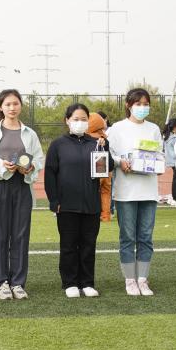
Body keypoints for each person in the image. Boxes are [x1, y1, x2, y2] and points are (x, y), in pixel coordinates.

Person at [0, 89, 43, 300]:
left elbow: (39, 158)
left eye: (15, 104)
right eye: (8, 104)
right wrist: (1, 165)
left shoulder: (30, 133)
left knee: (21, 235)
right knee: (0, 235)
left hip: (22, 186)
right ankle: (1, 282)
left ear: (21, 105)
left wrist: (30, 168)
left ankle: (18, 283)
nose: (12, 108)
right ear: (0, 107)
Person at [44, 103, 104, 298]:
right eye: (76, 119)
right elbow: (50, 174)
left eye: (84, 119)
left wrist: (104, 148)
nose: (80, 122)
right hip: (67, 204)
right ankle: (69, 282)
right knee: (69, 245)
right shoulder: (58, 145)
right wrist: (54, 200)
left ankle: (87, 282)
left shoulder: (95, 143)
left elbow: (107, 167)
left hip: (91, 204)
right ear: (67, 121)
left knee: (88, 245)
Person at [107, 88, 162, 296]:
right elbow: (108, 155)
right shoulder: (117, 128)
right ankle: (130, 280)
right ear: (128, 105)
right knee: (128, 237)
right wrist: (120, 162)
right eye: (138, 104)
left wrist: (158, 164)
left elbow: (159, 153)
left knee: (146, 237)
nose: (142, 108)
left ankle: (143, 279)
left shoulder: (153, 128)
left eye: (146, 104)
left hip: (148, 191)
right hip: (126, 192)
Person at [87, 112, 112, 222]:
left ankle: (92, 214)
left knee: (92, 191)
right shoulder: (105, 138)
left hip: (93, 170)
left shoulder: (88, 139)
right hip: (106, 171)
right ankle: (106, 215)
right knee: (106, 192)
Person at [162, 118, 176, 207]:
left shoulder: (166, 136)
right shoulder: (175, 138)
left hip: (170, 160)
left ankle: (175, 198)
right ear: (175, 127)